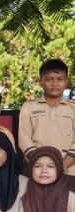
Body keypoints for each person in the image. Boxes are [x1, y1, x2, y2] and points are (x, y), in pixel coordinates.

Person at [18, 59, 75, 191]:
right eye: (49, 79)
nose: (55, 83)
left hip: (69, 170)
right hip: (37, 171)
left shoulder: (73, 108)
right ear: (40, 81)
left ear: (66, 81)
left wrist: (62, 165)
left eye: (60, 79)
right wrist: (42, 165)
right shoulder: (29, 107)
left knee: (67, 209)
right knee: (38, 209)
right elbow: (23, 138)